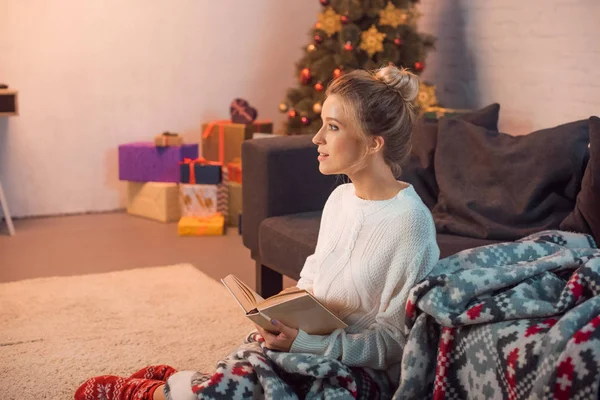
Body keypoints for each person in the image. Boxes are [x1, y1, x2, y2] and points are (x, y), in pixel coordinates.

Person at [74, 64, 440, 400]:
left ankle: (164, 390)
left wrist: (308, 345)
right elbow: (313, 278)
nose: (316, 138)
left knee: (243, 389)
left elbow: (396, 344)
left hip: (359, 374)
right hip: (306, 346)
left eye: (333, 126)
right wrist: (280, 315)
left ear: (374, 143)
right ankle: (176, 388)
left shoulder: (409, 223)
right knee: (249, 376)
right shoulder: (341, 199)